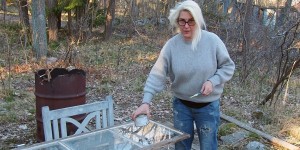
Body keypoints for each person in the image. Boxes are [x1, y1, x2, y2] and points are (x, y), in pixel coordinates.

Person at [131, 0, 235, 149]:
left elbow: (228, 66)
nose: (186, 26)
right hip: (182, 107)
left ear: (198, 21)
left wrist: (213, 81)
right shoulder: (172, 45)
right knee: (181, 146)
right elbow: (157, 74)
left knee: (208, 146)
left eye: (191, 21)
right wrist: (145, 102)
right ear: (177, 21)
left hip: (208, 107)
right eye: (182, 21)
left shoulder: (212, 41)